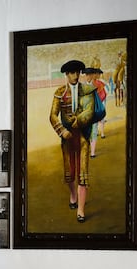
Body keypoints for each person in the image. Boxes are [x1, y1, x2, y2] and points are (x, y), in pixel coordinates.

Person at [50, 59, 95, 223]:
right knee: (69, 173)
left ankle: (81, 209)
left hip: (82, 136)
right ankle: (73, 194)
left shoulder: (88, 90)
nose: (76, 75)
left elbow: (90, 111)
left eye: (77, 72)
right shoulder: (60, 92)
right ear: (67, 74)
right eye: (72, 73)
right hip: (67, 138)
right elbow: (53, 115)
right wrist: (62, 131)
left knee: (83, 174)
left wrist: (78, 121)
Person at [83, 57, 107, 158]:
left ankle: (92, 153)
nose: (87, 77)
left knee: (93, 131)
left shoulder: (97, 85)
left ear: (92, 75)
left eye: (89, 75)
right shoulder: (83, 86)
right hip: (85, 113)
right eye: (86, 75)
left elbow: (102, 96)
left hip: (94, 112)